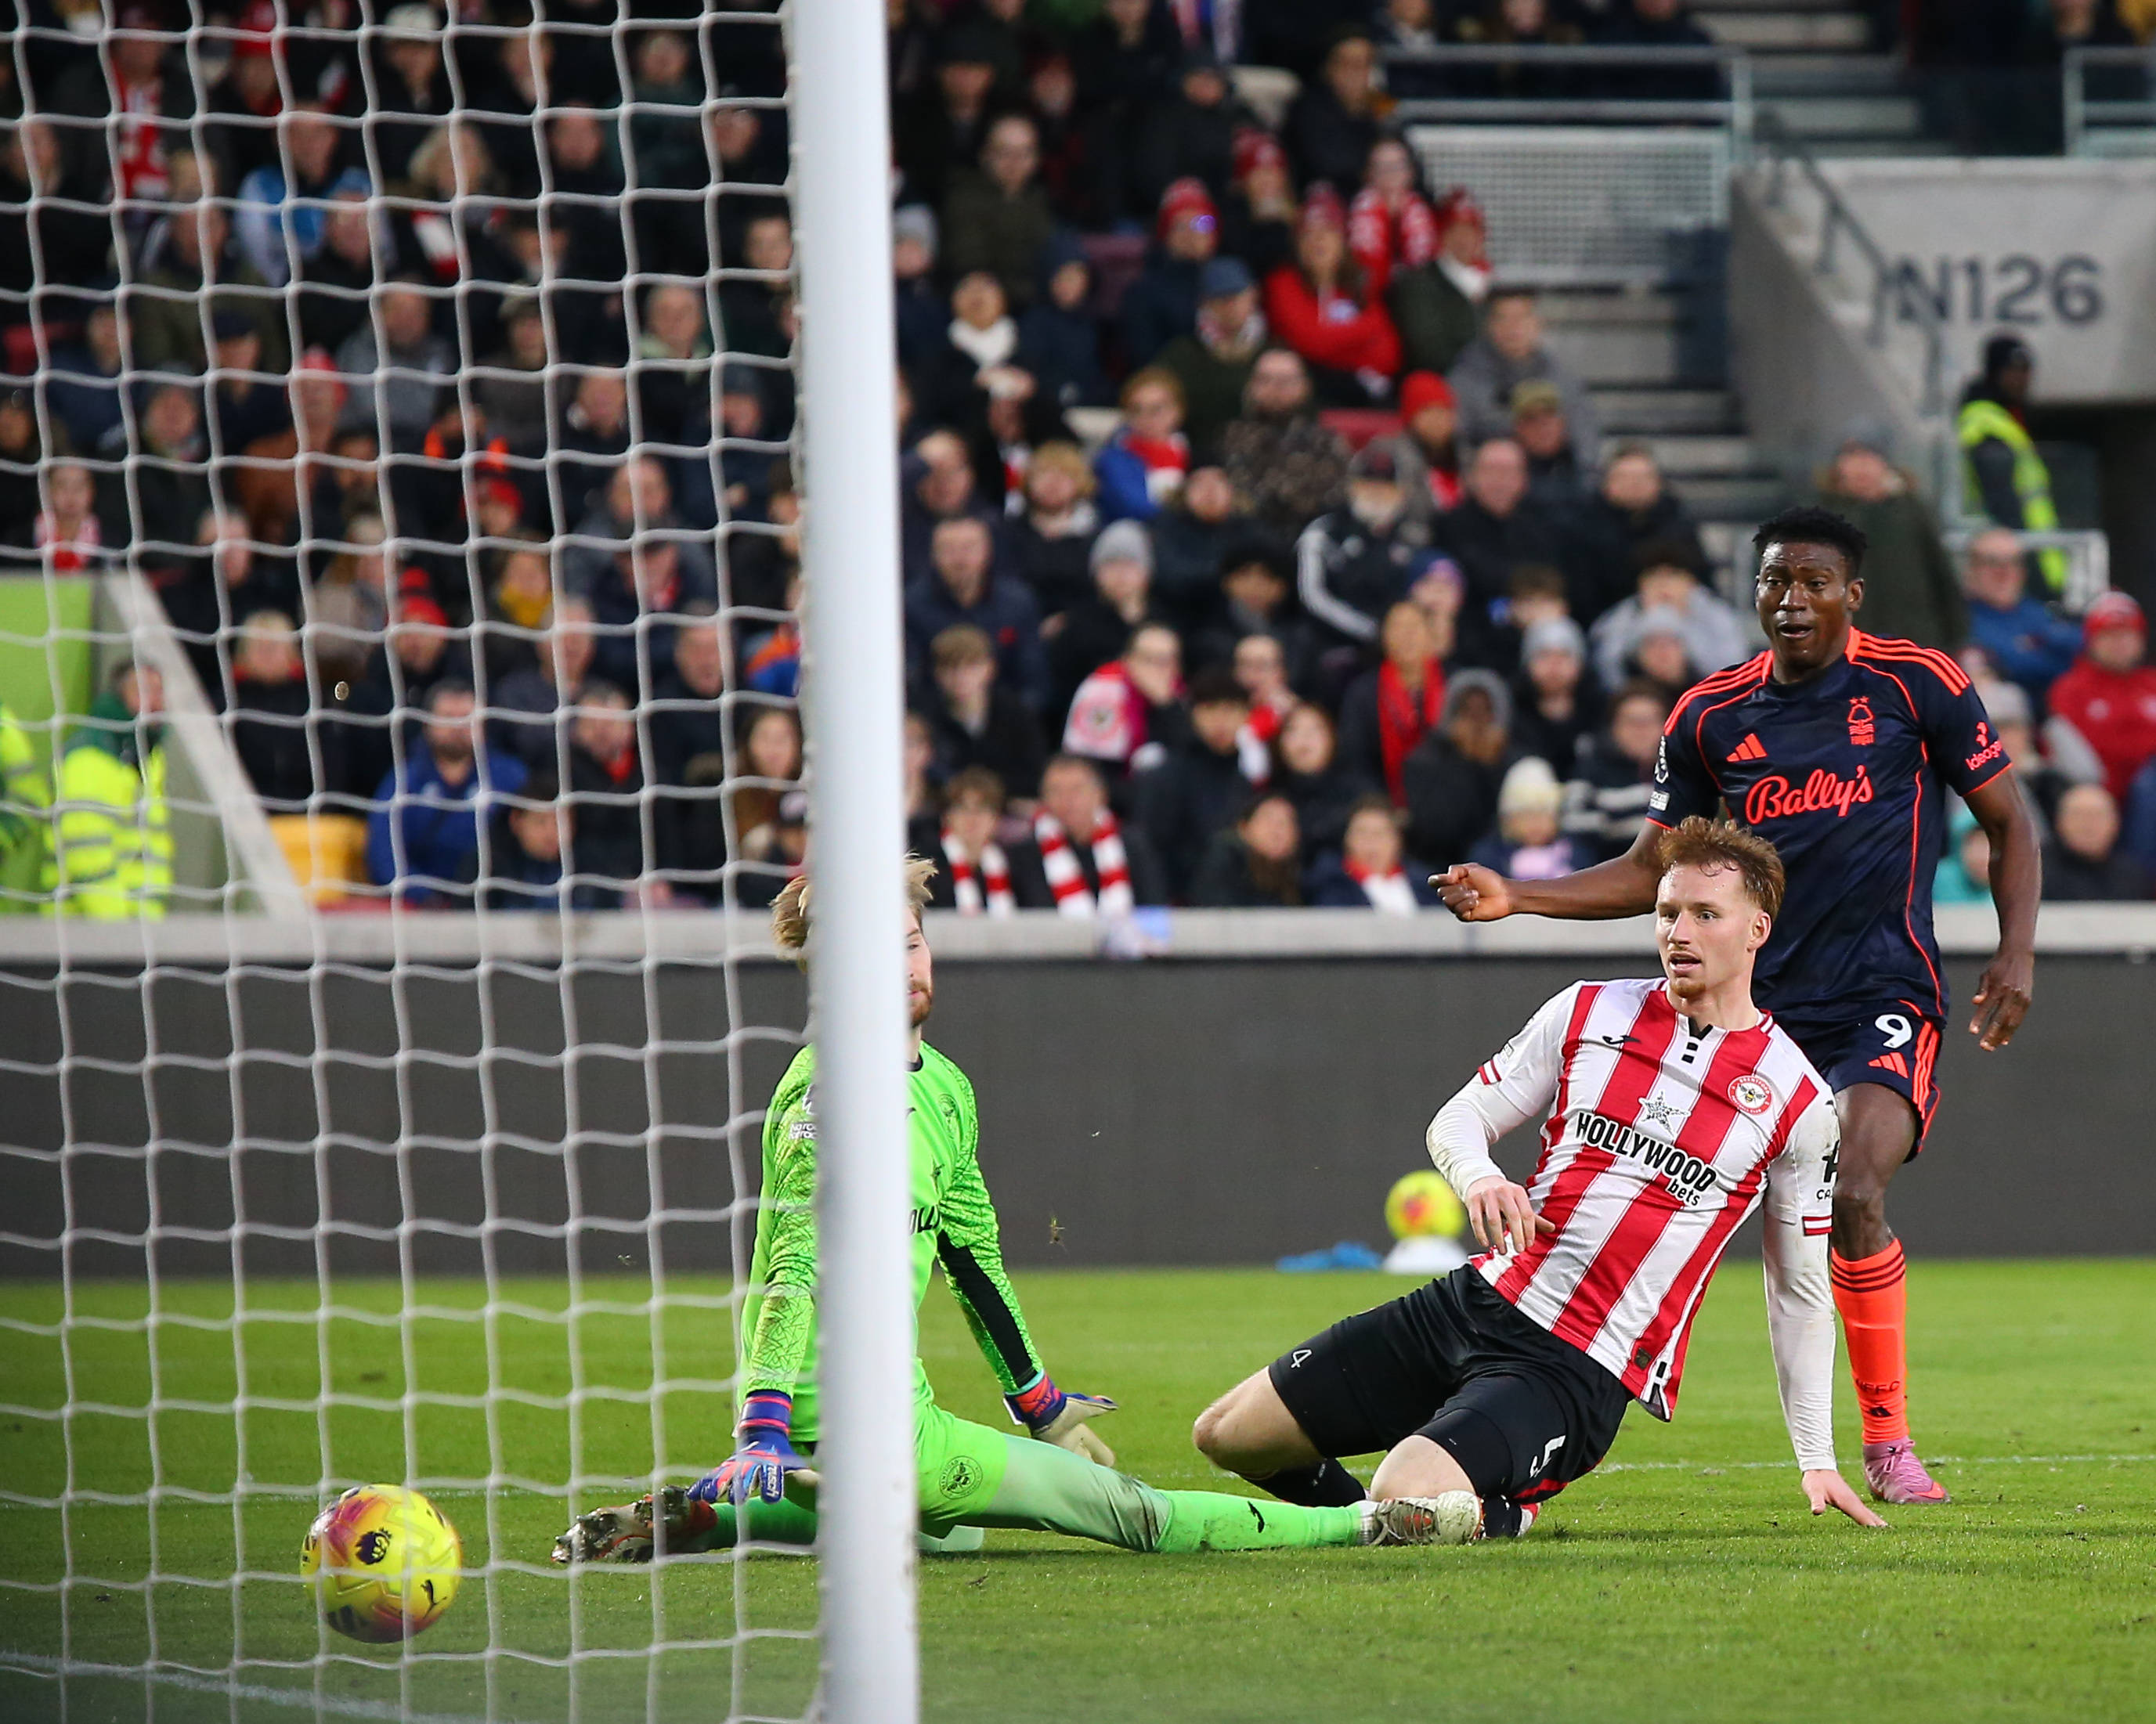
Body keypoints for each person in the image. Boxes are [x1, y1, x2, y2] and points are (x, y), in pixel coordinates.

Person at [553, 860, 1461, 1567]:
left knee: (953, 1536)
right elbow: (789, 1269)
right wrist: (759, 1424)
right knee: (1133, 1514)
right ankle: (1369, 1523)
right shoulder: (822, 1102)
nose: (905, 963)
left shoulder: (942, 1087)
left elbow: (973, 1257)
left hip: (887, 1413)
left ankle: (731, 1517)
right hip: (847, 1419)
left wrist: (1042, 1403)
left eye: (911, 939)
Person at [1437, 505, 2043, 1506]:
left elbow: (2007, 823)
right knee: (1642, 1221)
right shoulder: (1709, 714)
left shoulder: (1915, 684)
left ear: (1852, 593)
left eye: (1811, 582)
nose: (1790, 600)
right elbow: (1651, 868)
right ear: (1750, 593)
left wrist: (2014, 951)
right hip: (1748, 1017)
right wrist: (1519, 896)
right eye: (1772, 582)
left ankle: (1885, 1443)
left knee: (1852, 1187)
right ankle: (1529, 1436)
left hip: (1878, 995)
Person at [1194, 817, 1879, 1543]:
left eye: (1705, 914)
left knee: (1404, 1485)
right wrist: (1480, 1179)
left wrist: (1815, 1457)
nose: (1679, 931)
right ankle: (1394, 1520)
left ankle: (1488, 1510)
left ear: (1756, 930)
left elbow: (1799, 1290)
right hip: (1476, 1300)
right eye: (1668, 912)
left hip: (1576, 1365)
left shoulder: (1796, 1099)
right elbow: (1456, 1120)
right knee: (1229, 1435)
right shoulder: (1588, 1008)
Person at [365, 680, 529, 907]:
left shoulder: (511, 778)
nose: (458, 726)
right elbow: (383, 853)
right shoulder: (403, 781)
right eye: (448, 717)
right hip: (420, 910)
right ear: (427, 724)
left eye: (466, 717)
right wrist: (425, 896)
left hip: (495, 906)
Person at [1812, 430, 1963, 650]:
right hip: (1845, 645)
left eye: (1870, 458)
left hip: (1913, 640)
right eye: (1852, 457)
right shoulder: (1821, 517)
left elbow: (1940, 573)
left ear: (1885, 464)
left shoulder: (1911, 510)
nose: (1861, 467)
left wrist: (1957, 635)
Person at [53, 662, 172, 921]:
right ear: (118, 696)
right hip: (87, 930)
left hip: (138, 927)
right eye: (143, 690)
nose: (154, 701)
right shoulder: (89, 757)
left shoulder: (149, 759)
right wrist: (117, 931)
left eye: (159, 691)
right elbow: (87, 850)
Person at [1263, 186, 1401, 406]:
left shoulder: (1358, 284)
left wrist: (1332, 347)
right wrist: (1364, 335)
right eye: (1308, 234)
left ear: (1342, 241)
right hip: (1306, 394)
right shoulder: (1283, 283)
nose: (1317, 242)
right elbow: (1311, 342)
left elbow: (1388, 355)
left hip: (1358, 394)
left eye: (1326, 232)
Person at [1136, 668, 1259, 901]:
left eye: (1231, 710)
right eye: (1210, 710)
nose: (1221, 721)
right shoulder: (1165, 776)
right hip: (1180, 913)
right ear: (1193, 715)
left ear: (1246, 716)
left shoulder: (1243, 782)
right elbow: (1150, 853)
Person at [1957, 334, 2064, 594]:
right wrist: (2025, 566)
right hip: (2018, 559)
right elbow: (2003, 502)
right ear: (1995, 373)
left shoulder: (2008, 417)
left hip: (2033, 552)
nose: (2021, 379)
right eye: (2012, 371)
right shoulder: (1985, 421)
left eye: (2025, 370)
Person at [1447, 287, 1601, 467]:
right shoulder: (1464, 379)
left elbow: (1585, 442)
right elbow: (1455, 445)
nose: (1512, 327)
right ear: (1488, 325)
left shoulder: (1562, 378)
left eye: (1522, 317)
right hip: (1490, 483)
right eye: (1502, 318)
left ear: (1539, 323)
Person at [1296, 445, 1424, 650]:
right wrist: (1373, 631)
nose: (1377, 492)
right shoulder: (1325, 532)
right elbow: (1313, 597)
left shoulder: (1412, 537)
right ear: (1351, 487)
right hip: (1331, 646)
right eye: (1368, 483)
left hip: (1397, 648)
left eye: (1386, 486)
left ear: (1402, 493)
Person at [1562, 445, 1705, 628]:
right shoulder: (1584, 529)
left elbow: (1701, 582)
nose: (1635, 484)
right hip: (1603, 625)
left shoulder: (1680, 527)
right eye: (1625, 477)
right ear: (1607, 483)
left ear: (1658, 483)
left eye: (1643, 477)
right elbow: (1579, 594)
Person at [1219, 348, 1351, 540]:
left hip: (1307, 540)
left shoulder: (1326, 442)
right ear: (1251, 385)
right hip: (1242, 542)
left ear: (1305, 386)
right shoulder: (1229, 437)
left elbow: (1334, 502)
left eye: (1286, 381)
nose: (1276, 388)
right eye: (1266, 380)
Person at [1587, 543, 1749, 696]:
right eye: (1654, 576)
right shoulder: (1624, 616)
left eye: (1673, 575)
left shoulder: (1716, 615)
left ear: (1691, 581)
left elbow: (1732, 672)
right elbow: (1607, 669)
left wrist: (1682, 624)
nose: (1663, 585)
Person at [2045, 590, 2156, 803]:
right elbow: (2069, 753)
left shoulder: (2152, 684)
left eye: (2127, 633)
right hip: (2098, 797)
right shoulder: (2070, 689)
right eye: (2109, 634)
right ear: (2091, 639)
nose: (2120, 643)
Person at [1151, 258, 1266, 461]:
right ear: (1205, 302)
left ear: (1253, 295)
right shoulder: (1181, 354)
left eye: (1237, 295)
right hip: (1197, 456)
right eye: (1221, 298)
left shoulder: (1273, 352)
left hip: (1263, 456)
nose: (1230, 306)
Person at [1337, 600, 1448, 807]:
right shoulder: (1363, 693)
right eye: (1397, 627)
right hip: (1386, 805)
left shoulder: (1454, 684)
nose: (1406, 636)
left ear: (1430, 636)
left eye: (1414, 627)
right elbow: (1355, 764)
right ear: (1384, 637)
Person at [1960, 528, 2081, 718]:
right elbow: (2014, 664)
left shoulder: (2039, 613)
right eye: (1992, 563)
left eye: (2013, 562)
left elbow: (2080, 652)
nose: (2004, 573)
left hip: (2054, 722)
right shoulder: (1959, 620)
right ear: (1972, 569)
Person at [922, 623, 1048, 803]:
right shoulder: (929, 718)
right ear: (937, 673)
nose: (961, 676)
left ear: (990, 668)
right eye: (951, 667)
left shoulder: (1016, 714)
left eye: (971, 666)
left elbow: (1034, 773)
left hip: (1007, 809)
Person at [1030, 752, 1168, 912]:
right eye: (1055, 791)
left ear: (1100, 794)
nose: (1066, 800)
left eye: (1076, 790)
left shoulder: (1133, 845)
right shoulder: (1026, 853)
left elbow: (1154, 907)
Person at [1388, 189, 1492, 381]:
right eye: (1455, 230)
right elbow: (1430, 354)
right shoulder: (1418, 284)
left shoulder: (1490, 284)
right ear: (1440, 234)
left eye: (1471, 230)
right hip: (1442, 386)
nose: (1464, 239)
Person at [1062, 620, 1185, 781]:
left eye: (1165, 661)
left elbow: (1188, 753)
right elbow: (1095, 769)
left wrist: (1166, 706)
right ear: (1128, 660)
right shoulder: (1103, 690)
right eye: (1148, 659)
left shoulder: (1180, 695)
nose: (1157, 669)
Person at [1562, 683, 1670, 864]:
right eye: (1631, 721)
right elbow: (1579, 842)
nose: (1641, 730)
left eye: (1650, 721)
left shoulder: (1684, 772)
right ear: (1614, 727)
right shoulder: (1588, 774)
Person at [1307, 795, 1439, 911]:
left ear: (1398, 841)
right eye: (1362, 832)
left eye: (1380, 833)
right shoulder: (1330, 887)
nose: (1371, 842)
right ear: (1347, 839)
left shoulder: (1427, 886)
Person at [1092, 369, 1190, 525]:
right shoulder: (1112, 460)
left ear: (1177, 411)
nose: (1145, 418)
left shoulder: (1191, 455)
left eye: (1156, 409)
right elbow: (1134, 507)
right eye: (1136, 410)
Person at [1469, 757, 1580, 878]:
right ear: (1508, 820)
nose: (1536, 823)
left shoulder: (1574, 854)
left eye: (1544, 813)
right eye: (1526, 814)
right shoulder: (1487, 860)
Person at [1191, 791, 1304, 907]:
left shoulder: (1306, 877)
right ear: (1244, 828)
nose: (1276, 830)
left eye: (1285, 822)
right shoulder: (1222, 865)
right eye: (1268, 820)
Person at [2042, 781, 2146, 901]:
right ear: (2059, 822)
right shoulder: (2036, 874)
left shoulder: (2132, 877)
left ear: (2115, 824)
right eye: (2078, 816)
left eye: (2098, 816)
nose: (2088, 825)